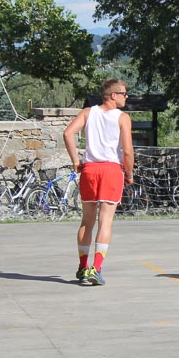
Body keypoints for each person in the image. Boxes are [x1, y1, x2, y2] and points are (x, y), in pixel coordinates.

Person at [63, 79, 135, 285]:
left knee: (87, 221)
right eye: (123, 93)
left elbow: (68, 133)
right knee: (105, 221)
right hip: (111, 169)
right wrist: (129, 173)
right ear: (113, 95)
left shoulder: (88, 112)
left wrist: (76, 160)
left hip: (90, 169)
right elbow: (127, 151)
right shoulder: (122, 117)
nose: (126, 97)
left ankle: (82, 267)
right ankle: (96, 268)